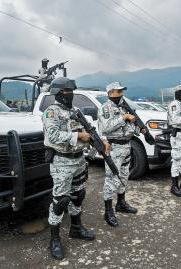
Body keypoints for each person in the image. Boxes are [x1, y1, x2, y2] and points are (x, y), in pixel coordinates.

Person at [42, 77, 97, 260]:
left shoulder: (76, 111)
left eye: (71, 91)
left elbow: (86, 134)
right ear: (58, 93)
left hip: (78, 161)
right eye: (67, 92)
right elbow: (53, 136)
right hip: (62, 162)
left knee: (78, 196)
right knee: (60, 201)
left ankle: (76, 228)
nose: (70, 94)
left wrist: (93, 140)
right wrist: (77, 136)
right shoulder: (52, 112)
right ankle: (55, 238)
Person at [98, 82, 138, 227]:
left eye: (121, 91)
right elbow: (106, 127)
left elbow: (129, 126)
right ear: (110, 93)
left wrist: (136, 126)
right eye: (117, 92)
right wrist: (124, 118)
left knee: (124, 176)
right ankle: (108, 211)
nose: (121, 94)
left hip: (126, 145)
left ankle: (121, 203)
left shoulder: (124, 107)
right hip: (113, 147)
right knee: (111, 178)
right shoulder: (105, 108)